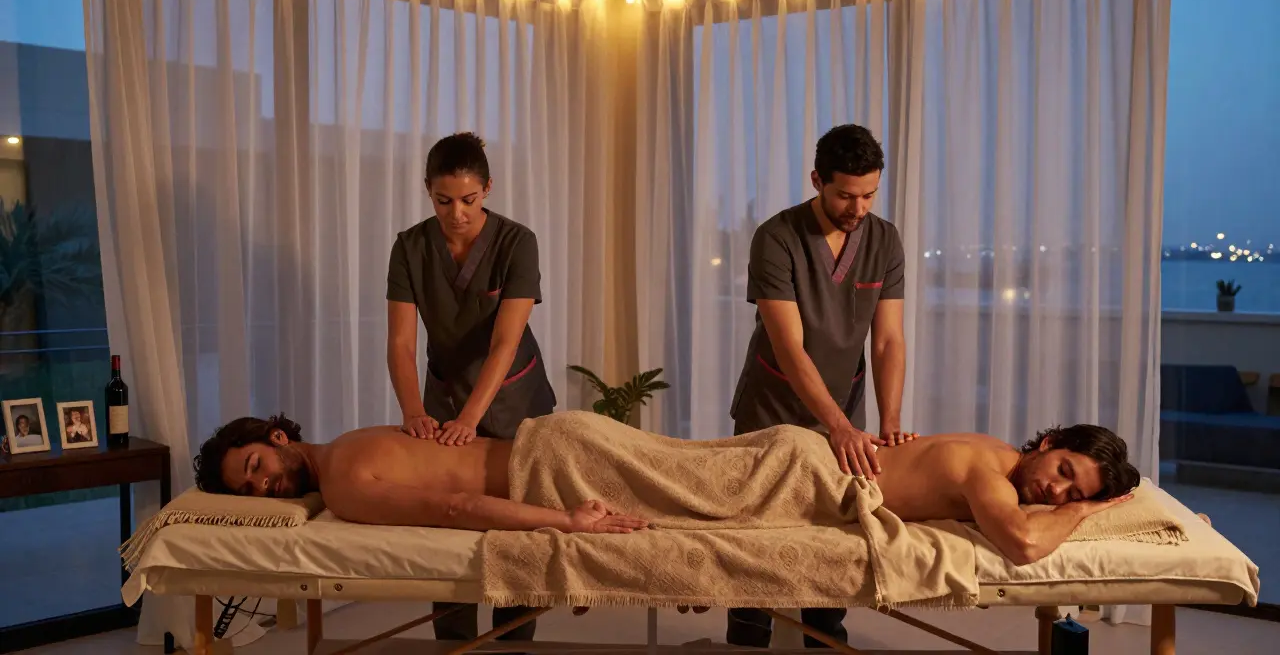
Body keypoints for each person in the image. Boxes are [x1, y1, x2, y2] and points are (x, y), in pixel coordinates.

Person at [193, 413, 1140, 567]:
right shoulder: (352, 449)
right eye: (258, 485)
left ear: (275, 439)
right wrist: (563, 521)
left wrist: (562, 513)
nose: (271, 485)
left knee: (696, 483)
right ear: (1046, 442)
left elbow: (456, 502)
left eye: (259, 468)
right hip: (553, 453)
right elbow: (452, 501)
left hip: (550, 461)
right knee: (695, 478)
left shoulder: (349, 472)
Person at [726, 124, 910, 647]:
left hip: (845, 412)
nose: (858, 208)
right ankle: (746, 634)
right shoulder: (777, 237)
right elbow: (789, 346)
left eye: (869, 194)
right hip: (772, 405)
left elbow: (888, 341)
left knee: (831, 537)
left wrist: (887, 422)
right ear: (817, 181)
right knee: (755, 541)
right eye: (845, 195)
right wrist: (839, 425)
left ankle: (824, 637)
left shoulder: (885, 239)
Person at [384, 132, 556, 642]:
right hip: (444, 396)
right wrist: (415, 411)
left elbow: (505, 343)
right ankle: (454, 644)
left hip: (515, 397)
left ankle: (512, 643)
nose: (456, 213)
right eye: (443, 200)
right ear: (427, 191)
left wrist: (470, 419)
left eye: (468, 199)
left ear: (488, 189)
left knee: (517, 526)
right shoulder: (410, 247)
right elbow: (400, 344)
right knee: (448, 521)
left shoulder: (516, 242)